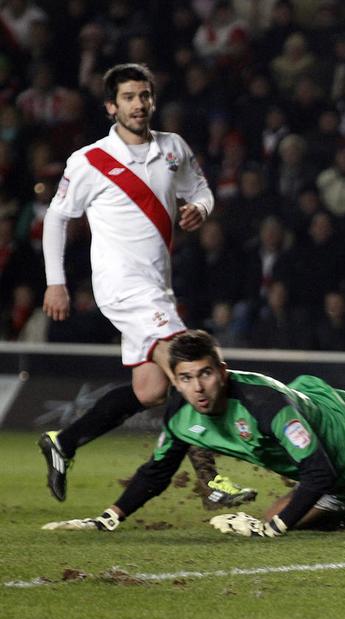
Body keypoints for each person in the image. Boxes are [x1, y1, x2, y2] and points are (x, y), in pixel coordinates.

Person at [38, 63, 252, 509]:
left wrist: (201, 208)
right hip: (122, 286)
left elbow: (202, 190)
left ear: (153, 99)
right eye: (129, 97)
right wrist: (56, 283)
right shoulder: (90, 160)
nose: (138, 104)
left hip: (157, 286)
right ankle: (211, 481)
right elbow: (57, 218)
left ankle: (64, 442)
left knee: (150, 390)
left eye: (144, 96)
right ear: (111, 107)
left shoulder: (173, 148)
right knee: (189, 365)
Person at [42, 330, 345, 537]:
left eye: (205, 374)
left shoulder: (261, 404)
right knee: (302, 464)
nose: (198, 388)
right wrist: (110, 516)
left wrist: (272, 526)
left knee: (300, 515)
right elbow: (156, 472)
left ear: (222, 371)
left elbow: (319, 472)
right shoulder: (180, 415)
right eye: (186, 379)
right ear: (174, 381)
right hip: (335, 407)